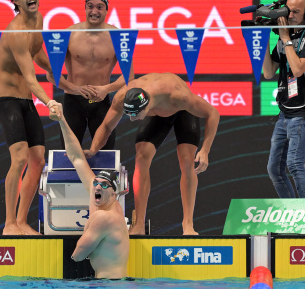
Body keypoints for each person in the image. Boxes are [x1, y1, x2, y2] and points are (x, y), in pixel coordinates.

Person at [85, 73, 220, 235]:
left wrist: (205, 150)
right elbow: (107, 126)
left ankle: (188, 225)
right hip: (158, 114)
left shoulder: (179, 95)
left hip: (181, 111)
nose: (132, 119)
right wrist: (93, 149)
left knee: (187, 161)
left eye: (135, 115)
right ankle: (139, 225)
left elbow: (213, 113)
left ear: (146, 106)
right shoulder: (122, 97)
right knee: (141, 157)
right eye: (129, 114)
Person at [0, 0, 75, 235]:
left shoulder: (38, 19)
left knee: (37, 161)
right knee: (18, 159)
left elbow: (36, 52)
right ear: (15, 1)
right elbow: (29, 76)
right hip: (7, 101)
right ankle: (8, 223)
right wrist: (50, 100)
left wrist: (56, 72)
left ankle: (21, 221)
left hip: (26, 100)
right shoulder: (16, 30)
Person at [262, 0, 305, 198]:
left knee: (295, 164)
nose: (289, 16)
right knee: (274, 170)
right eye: (288, 11)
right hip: (287, 111)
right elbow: (269, 72)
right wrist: (263, 38)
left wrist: (285, 38)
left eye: (295, 12)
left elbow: (298, 69)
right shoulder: (287, 36)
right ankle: (291, 215)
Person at [52, 102, 129, 279]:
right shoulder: (107, 204)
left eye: (103, 185)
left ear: (114, 193)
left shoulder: (103, 217)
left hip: (111, 284)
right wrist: (62, 120)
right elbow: (76, 157)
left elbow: (77, 255)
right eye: (96, 183)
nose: (97, 186)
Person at [60, 0, 134, 149]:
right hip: (73, 102)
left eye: (99, 7)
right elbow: (51, 73)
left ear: (107, 10)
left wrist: (106, 89)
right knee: (67, 155)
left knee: (106, 154)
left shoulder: (118, 36)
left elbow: (129, 75)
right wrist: (75, 88)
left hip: (101, 102)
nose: (94, 11)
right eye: (90, 6)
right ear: (85, 8)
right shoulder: (68, 33)